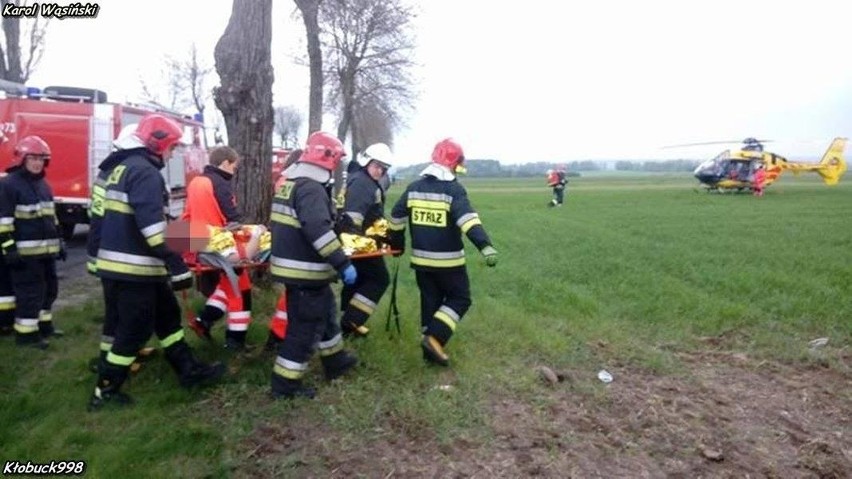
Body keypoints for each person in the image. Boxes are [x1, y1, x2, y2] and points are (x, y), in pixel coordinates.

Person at [88, 114, 225, 410]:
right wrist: (178, 267)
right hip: (134, 269)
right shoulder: (145, 173)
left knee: (167, 318)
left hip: (130, 267)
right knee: (133, 331)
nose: (173, 153)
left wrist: (197, 237)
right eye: (172, 147)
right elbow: (153, 231)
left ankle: (188, 369)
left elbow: (147, 221)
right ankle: (105, 391)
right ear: (158, 144)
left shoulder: (125, 168)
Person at [388, 138, 497, 367]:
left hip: (421, 262)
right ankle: (435, 338)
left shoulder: (414, 187)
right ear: (453, 163)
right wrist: (484, 246)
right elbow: (467, 219)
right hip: (449, 264)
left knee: (431, 301)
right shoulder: (453, 189)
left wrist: (397, 243)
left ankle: (430, 353)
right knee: (460, 298)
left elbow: (396, 217)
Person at [268, 131, 359, 399]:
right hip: (305, 270)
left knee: (327, 313)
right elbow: (317, 231)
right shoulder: (311, 188)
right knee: (305, 330)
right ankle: (284, 386)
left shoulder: (292, 182)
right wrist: (342, 263)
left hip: (294, 267)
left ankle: (335, 360)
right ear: (329, 158)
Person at [183, 146, 255, 351]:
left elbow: (187, 216)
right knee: (241, 291)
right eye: (234, 166)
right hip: (221, 246)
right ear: (225, 163)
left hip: (201, 244)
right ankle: (235, 342)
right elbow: (231, 218)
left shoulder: (197, 182)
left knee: (227, 286)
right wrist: (253, 235)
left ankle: (203, 322)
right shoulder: (219, 183)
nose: (234, 171)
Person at [0, 136, 65, 349]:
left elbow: (51, 217)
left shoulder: (43, 185)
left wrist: (60, 241)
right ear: (22, 159)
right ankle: (26, 335)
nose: (37, 163)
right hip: (24, 255)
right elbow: (3, 222)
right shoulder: (9, 185)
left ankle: (45, 326)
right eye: (33, 158)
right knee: (30, 294)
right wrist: (9, 250)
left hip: (46, 252)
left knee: (50, 290)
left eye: (41, 158)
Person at [337, 142, 394, 337]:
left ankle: (348, 321)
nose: (380, 171)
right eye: (377, 166)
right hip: (359, 243)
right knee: (379, 279)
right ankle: (351, 321)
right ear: (367, 162)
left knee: (357, 281)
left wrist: (387, 237)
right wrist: (363, 244)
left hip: (358, 241)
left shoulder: (359, 179)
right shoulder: (363, 184)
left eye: (384, 168)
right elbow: (353, 220)